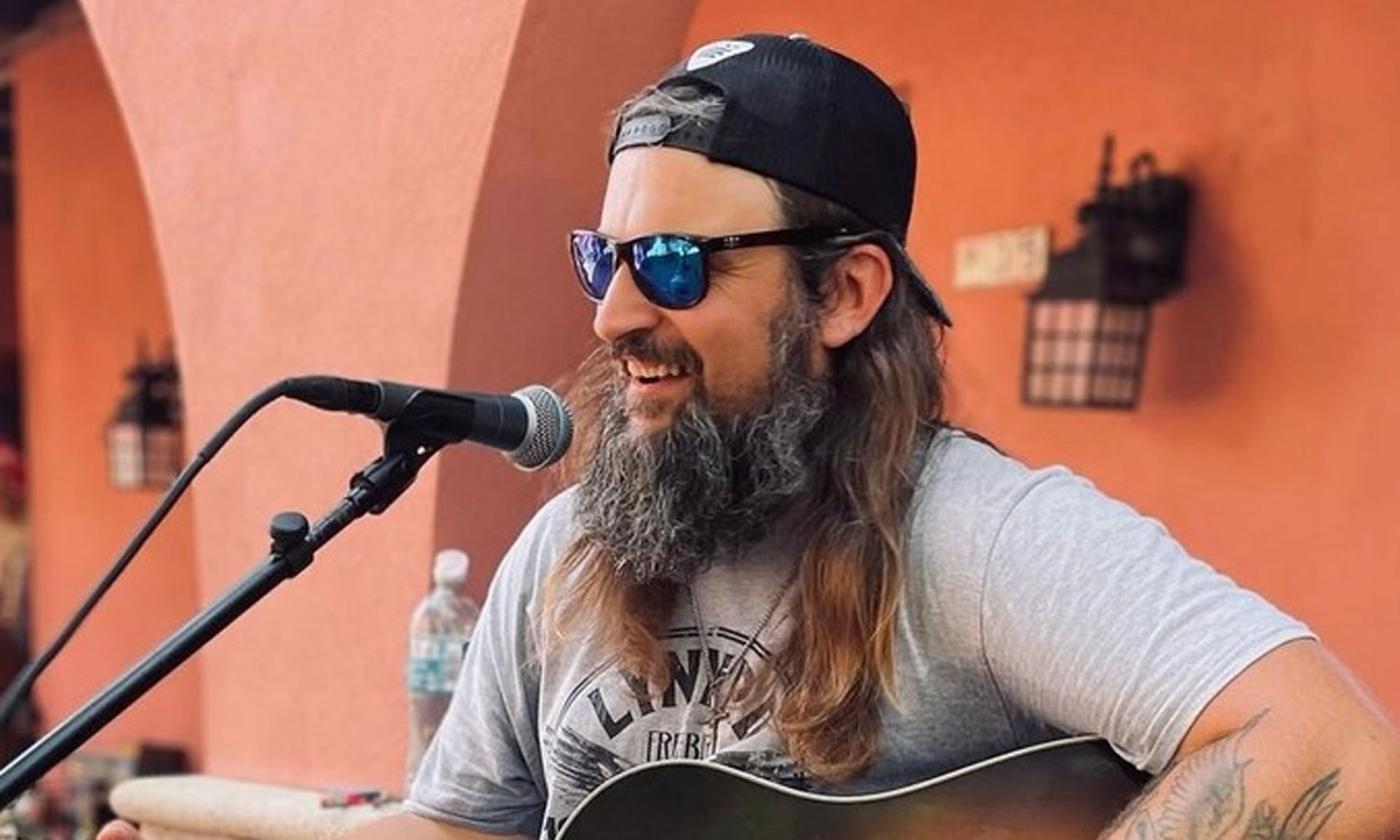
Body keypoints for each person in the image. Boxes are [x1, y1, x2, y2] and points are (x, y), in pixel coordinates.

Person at [100, 32, 1400, 840]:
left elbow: (1332, 747)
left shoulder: (984, 540)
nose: (613, 314)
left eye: (670, 263)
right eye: (601, 257)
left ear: (843, 293)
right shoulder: (561, 556)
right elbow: (465, 836)